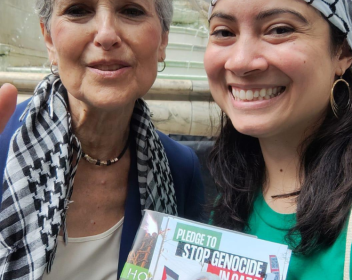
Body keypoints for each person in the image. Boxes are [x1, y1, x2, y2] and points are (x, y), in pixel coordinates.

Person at [0, 0, 205, 279]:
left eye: (132, 11)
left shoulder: (180, 170)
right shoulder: (3, 144)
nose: (107, 35)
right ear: (49, 39)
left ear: (163, 41)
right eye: (78, 10)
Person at [205, 0, 352, 279]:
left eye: (280, 29)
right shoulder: (239, 180)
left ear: (343, 52)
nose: (240, 61)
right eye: (224, 32)